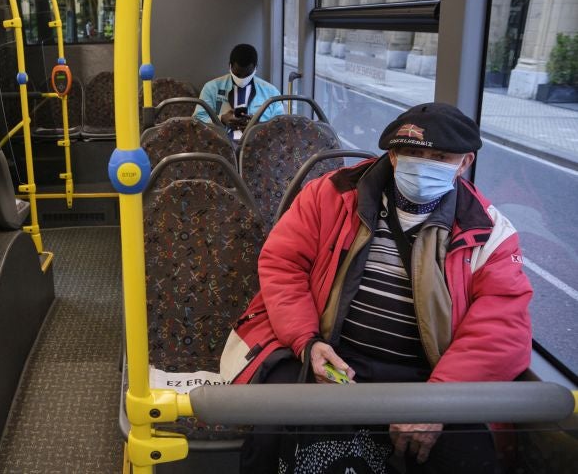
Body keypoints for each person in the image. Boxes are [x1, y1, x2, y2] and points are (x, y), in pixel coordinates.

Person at [221, 102, 533, 473]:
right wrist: (307, 342)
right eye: (412, 153)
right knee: (274, 433)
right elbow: (283, 264)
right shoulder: (331, 196)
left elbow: (503, 327)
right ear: (393, 154)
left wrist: (439, 398)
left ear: (464, 163)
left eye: (439, 156)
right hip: (332, 351)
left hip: (428, 376)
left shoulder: (488, 233)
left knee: (468, 458)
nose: (422, 163)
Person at [193, 44, 284, 143]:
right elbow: (197, 120)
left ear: (255, 67)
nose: (242, 78)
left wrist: (259, 126)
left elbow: (280, 125)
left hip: (258, 144)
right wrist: (221, 120)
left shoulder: (271, 92)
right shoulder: (211, 88)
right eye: (237, 74)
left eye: (247, 74)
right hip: (220, 143)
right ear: (230, 66)